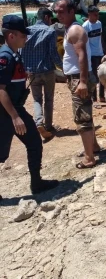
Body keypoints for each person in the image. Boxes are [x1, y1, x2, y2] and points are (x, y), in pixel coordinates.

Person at [0, 15, 59, 198]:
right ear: (11, 36)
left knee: (34, 142)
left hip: (14, 110)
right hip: (6, 112)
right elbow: (0, 90)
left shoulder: (14, 54)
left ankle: (36, 182)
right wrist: (15, 117)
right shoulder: (5, 56)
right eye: (23, 35)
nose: (26, 37)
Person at [54, 0, 100, 169]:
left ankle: (89, 158)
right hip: (76, 78)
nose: (58, 15)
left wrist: (82, 82)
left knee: (82, 118)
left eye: (62, 11)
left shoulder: (74, 30)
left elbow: (82, 56)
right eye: (56, 11)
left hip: (79, 78)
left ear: (72, 11)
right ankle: (93, 147)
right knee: (86, 114)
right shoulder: (69, 29)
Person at [21, 8, 63, 139]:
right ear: (46, 17)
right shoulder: (50, 31)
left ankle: (39, 122)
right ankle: (48, 126)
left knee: (37, 99)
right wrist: (63, 68)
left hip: (32, 72)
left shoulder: (27, 31)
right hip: (47, 71)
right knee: (49, 99)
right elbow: (53, 53)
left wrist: (25, 69)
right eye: (50, 19)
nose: (51, 21)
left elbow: (22, 51)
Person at [82, 5, 105, 102]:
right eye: (95, 15)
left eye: (97, 14)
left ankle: (102, 96)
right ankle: (94, 97)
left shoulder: (99, 23)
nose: (97, 16)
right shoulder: (85, 26)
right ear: (89, 14)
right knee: (94, 77)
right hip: (92, 55)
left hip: (100, 53)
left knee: (103, 75)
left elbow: (101, 38)